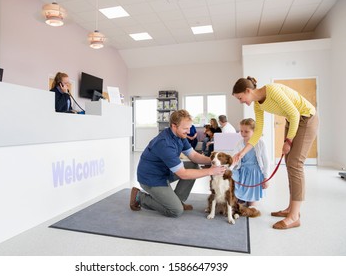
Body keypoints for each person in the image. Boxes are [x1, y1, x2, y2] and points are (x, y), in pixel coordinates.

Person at [231, 76, 318, 230]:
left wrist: (288, 141)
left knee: (295, 164)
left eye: (240, 98)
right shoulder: (258, 105)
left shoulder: (273, 90)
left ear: (248, 91)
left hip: (306, 117)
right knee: (290, 164)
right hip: (292, 120)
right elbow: (257, 132)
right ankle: (290, 209)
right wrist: (242, 152)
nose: (241, 101)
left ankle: (294, 216)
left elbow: (295, 114)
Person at [130, 109, 226, 218]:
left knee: (193, 165)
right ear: (174, 126)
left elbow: (194, 156)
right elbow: (183, 174)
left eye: (189, 128)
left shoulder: (180, 135)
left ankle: (178, 201)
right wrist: (210, 171)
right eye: (185, 128)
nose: (189, 132)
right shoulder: (165, 143)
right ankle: (140, 197)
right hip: (151, 179)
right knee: (175, 211)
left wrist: (213, 160)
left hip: (165, 171)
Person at [232, 118, 270, 207]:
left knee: (251, 204)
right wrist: (228, 169)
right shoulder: (239, 143)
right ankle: (241, 198)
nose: (243, 134)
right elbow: (234, 159)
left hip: (254, 173)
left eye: (246, 131)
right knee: (237, 198)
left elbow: (266, 161)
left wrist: (266, 178)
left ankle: (249, 201)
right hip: (242, 171)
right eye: (241, 131)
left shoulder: (260, 143)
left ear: (254, 131)